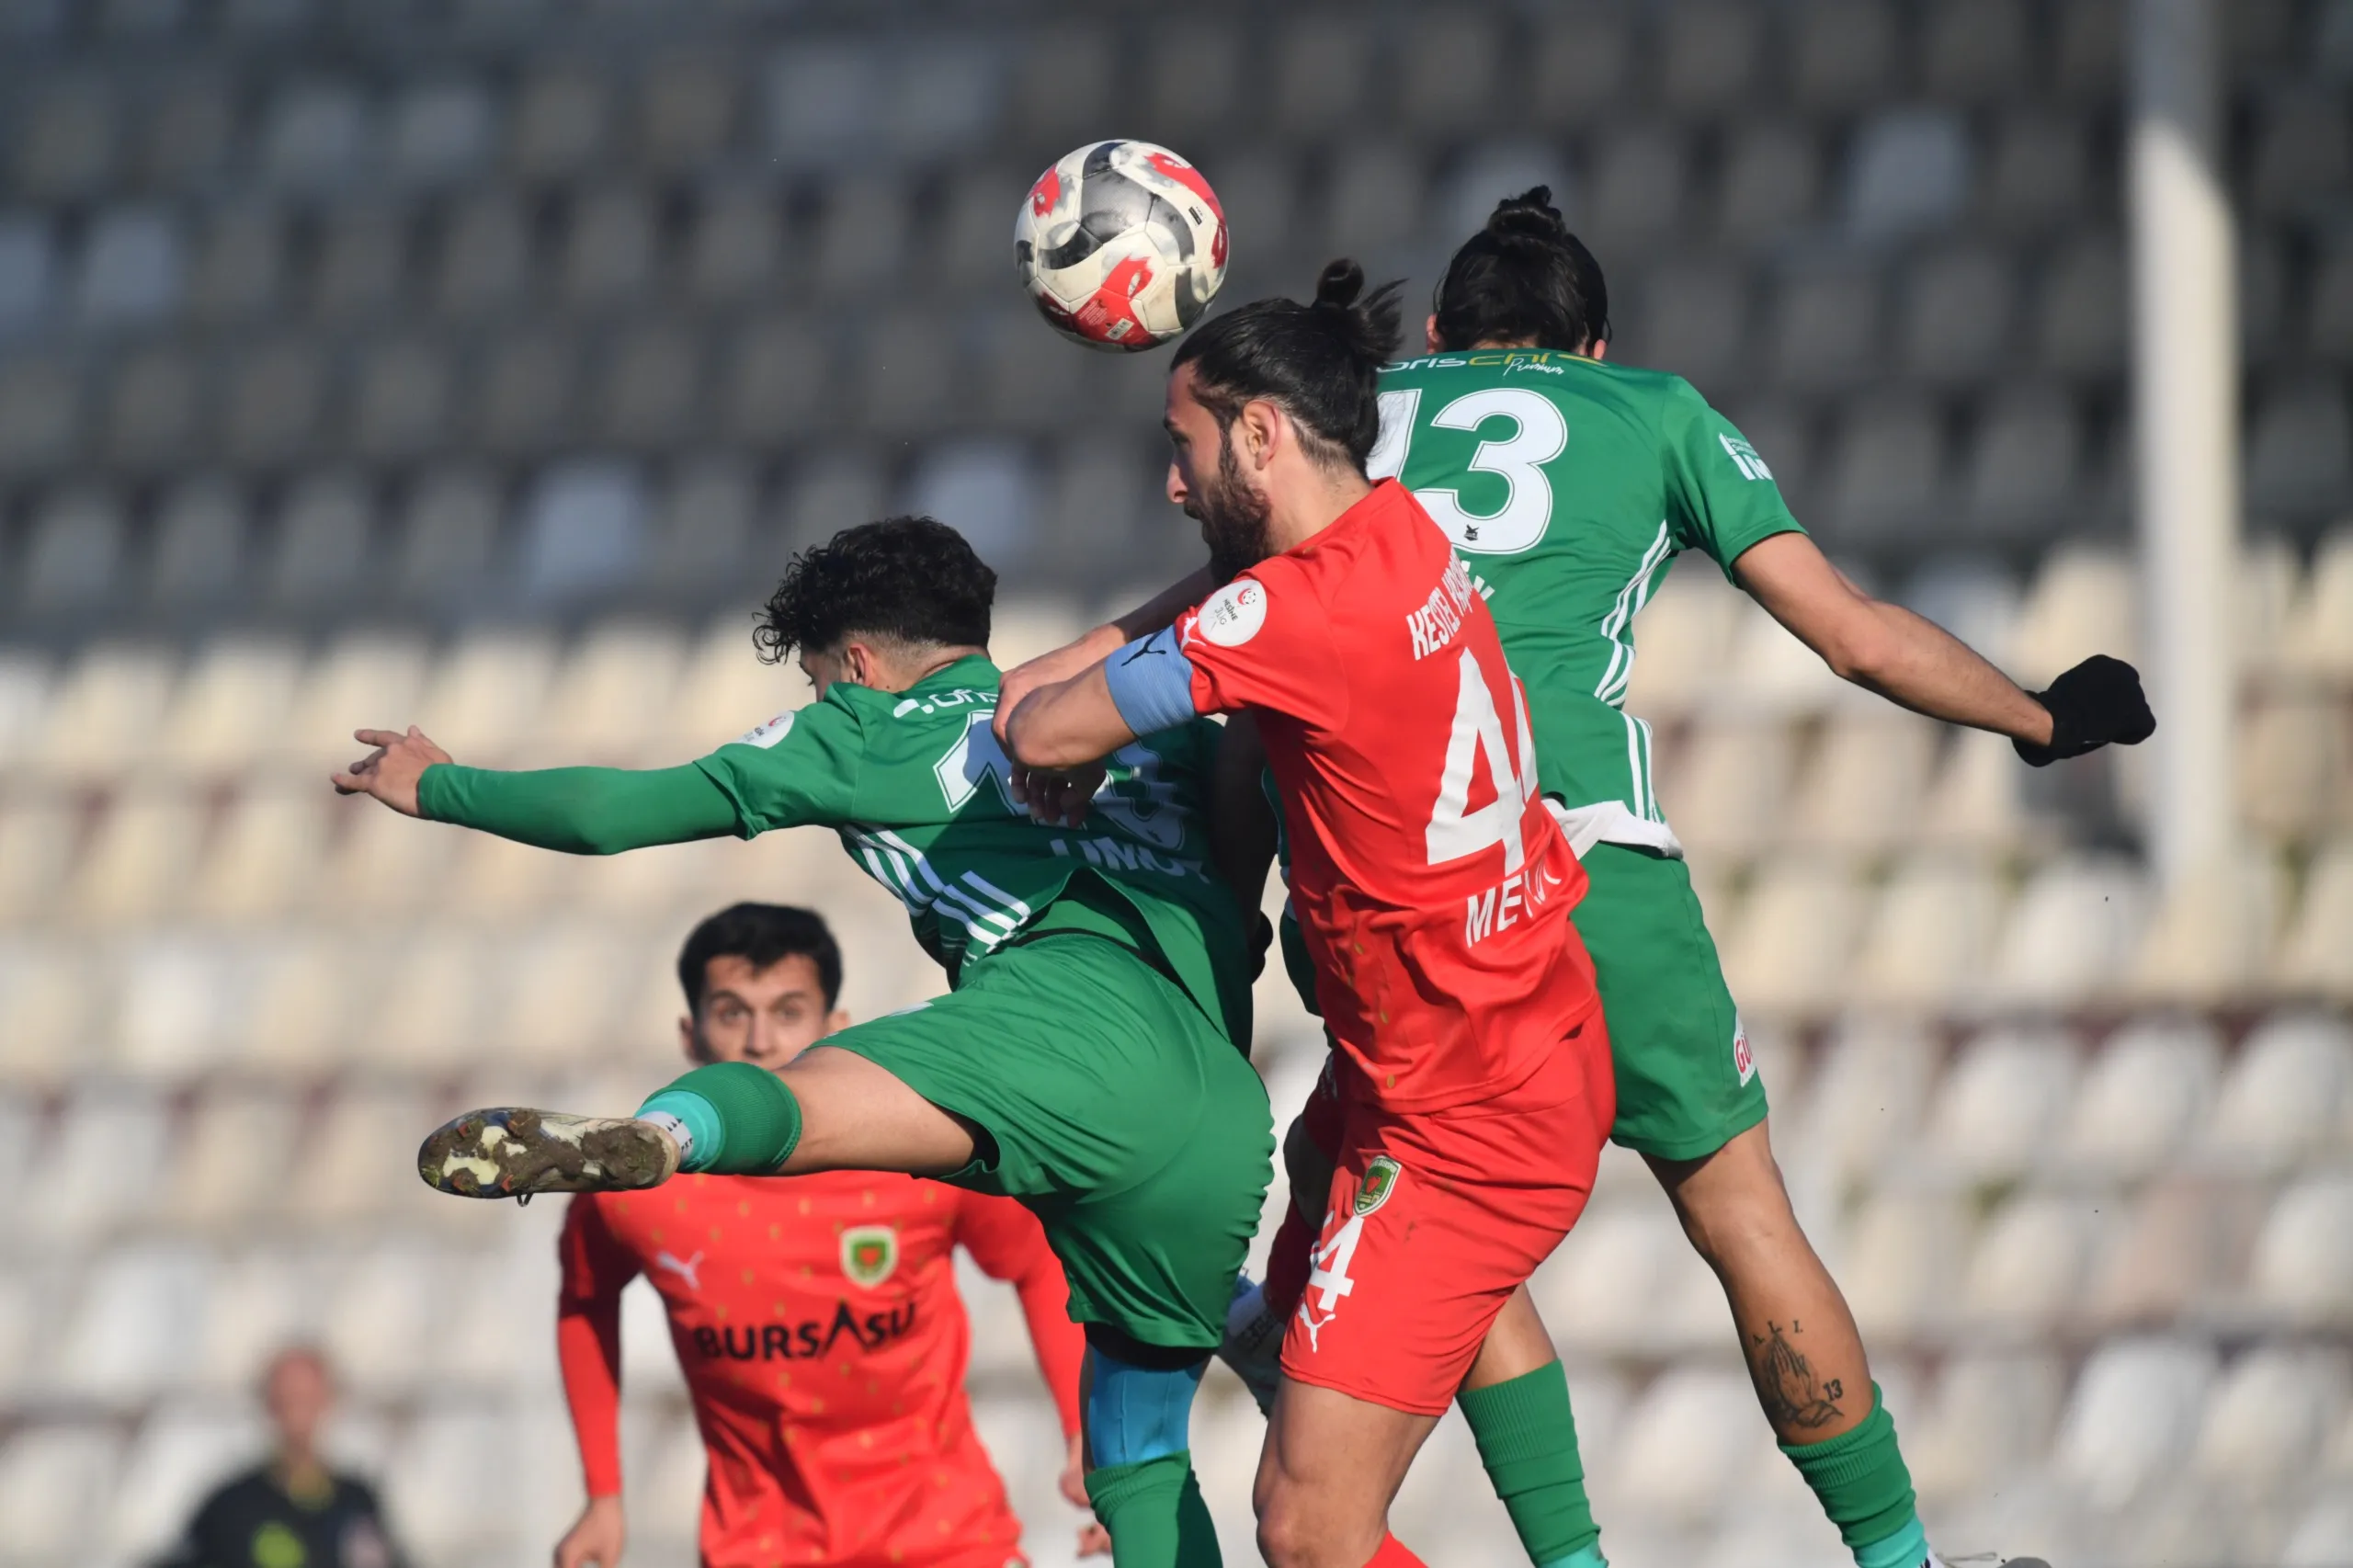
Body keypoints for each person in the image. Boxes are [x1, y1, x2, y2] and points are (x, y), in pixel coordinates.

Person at [1002, 190, 2143, 1568]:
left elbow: (1202, 629)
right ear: (1593, 348)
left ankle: (1570, 1551)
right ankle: (1899, 1561)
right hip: (1591, 862)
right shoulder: (1657, 413)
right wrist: (2037, 715)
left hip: (1390, 875)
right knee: (1739, 1214)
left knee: (1423, 1191)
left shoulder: (1355, 426)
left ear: (1429, 337)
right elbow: (1849, 637)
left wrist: (1017, 691)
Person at [332, 516, 1273, 1568]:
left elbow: (619, 811)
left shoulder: (866, 728)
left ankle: (675, 1131)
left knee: (811, 1091)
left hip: (1058, 1023)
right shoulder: (1129, 712)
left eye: (823, 680)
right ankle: (1250, 1318)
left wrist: (442, 786)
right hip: (1220, 1100)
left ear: (859, 665)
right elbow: (1249, 790)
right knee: (1142, 1455)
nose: (823, 700)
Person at [1002, 261, 1615, 1568]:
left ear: (1261, 433)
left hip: (1456, 1119)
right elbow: (1235, 615)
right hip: (1517, 1038)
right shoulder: (1396, 530)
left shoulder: (1295, 611)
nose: (1173, 483)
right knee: (1301, 1277)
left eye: (1185, 445)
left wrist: (1030, 702)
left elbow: (1048, 725)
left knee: (1305, 1524)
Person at [553, 900, 1105, 1568]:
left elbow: (1038, 1265)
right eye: (731, 1012)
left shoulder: (918, 1152)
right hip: (757, 1550)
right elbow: (585, 1298)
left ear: (836, 1029)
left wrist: (1086, 1435)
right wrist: (603, 1495)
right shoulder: (639, 1192)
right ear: (689, 1034)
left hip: (950, 1540)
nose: (760, 1041)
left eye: (788, 1012)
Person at [159, 1346, 406, 1568]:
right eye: (287, 1399)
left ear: (328, 1401)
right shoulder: (231, 1506)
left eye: (307, 1399)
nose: (297, 1413)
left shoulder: (358, 1502)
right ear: (268, 1404)